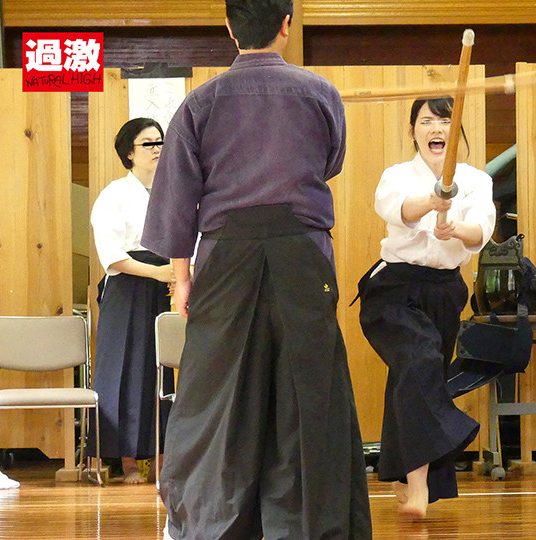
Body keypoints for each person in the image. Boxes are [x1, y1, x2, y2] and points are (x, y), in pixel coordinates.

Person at [140, 1, 371, 538]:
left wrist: (181, 280)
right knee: (306, 394)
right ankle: (307, 526)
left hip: (225, 256)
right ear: (287, 24)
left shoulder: (200, 103)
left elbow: (178, 199)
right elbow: (330, 161)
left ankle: (213, 522)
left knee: (218, 395)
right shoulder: (320, 94)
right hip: (302, 253)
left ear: (229, 27)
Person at [357, 97, 496, 518]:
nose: (436, 129)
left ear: (457, 132)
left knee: (415, 378)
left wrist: (457, 227)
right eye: (427, 121)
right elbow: (395, 209)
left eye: (445, 121)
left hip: (444, 290)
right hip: (393, 289)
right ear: (413, 130)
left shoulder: (475, 180)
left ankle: (401, 472)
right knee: (418, 360)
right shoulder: (397, 176)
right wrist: (433, 201)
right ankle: (421, 482)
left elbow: (481, 232)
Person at [87, 117, 176, 484]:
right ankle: (125, 462)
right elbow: (111, 254)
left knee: (164, 370)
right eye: (148, 144)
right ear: (129, 152)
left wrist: (177, 274)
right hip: (129, 283)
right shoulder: (114, 194)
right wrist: (156, 272)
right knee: (125, 368)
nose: (157, 149)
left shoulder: (175, 190)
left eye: (160, 142)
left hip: (169, 281)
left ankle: (163, 458)